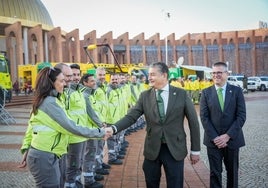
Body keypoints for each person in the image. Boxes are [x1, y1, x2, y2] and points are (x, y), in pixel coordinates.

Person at [110, 62, 201, 188]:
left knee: (175, 184)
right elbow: (131, 117)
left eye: (153, 74)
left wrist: (195, 150)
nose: (149, 77)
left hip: (174, 149)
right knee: (151, 183)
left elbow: (194, 123)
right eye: (149, 74)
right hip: (152, 149)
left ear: (164, 75)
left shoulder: (181, 94)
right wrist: (114, 128)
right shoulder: (145, 96)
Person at [19, 67, 112, 187]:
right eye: (62, 80)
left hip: (52, 152)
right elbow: (70, 126)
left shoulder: (54, 99)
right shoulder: (49, 103)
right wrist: (100, 132)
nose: (66, 83)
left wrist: (27, 148)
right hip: (45, 154)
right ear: (51, 82)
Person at [200, 62, 246, 188]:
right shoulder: (205, 93)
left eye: (219, 72)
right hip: (213, 141)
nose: (216, 75)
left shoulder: (237, 91)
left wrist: (227, 136)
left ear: (227, 74)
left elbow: (241, 116)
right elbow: (204, 118)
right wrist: (215, 137)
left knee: (232, 172)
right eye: (214, 72)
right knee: (215, 173)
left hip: (232, 140)